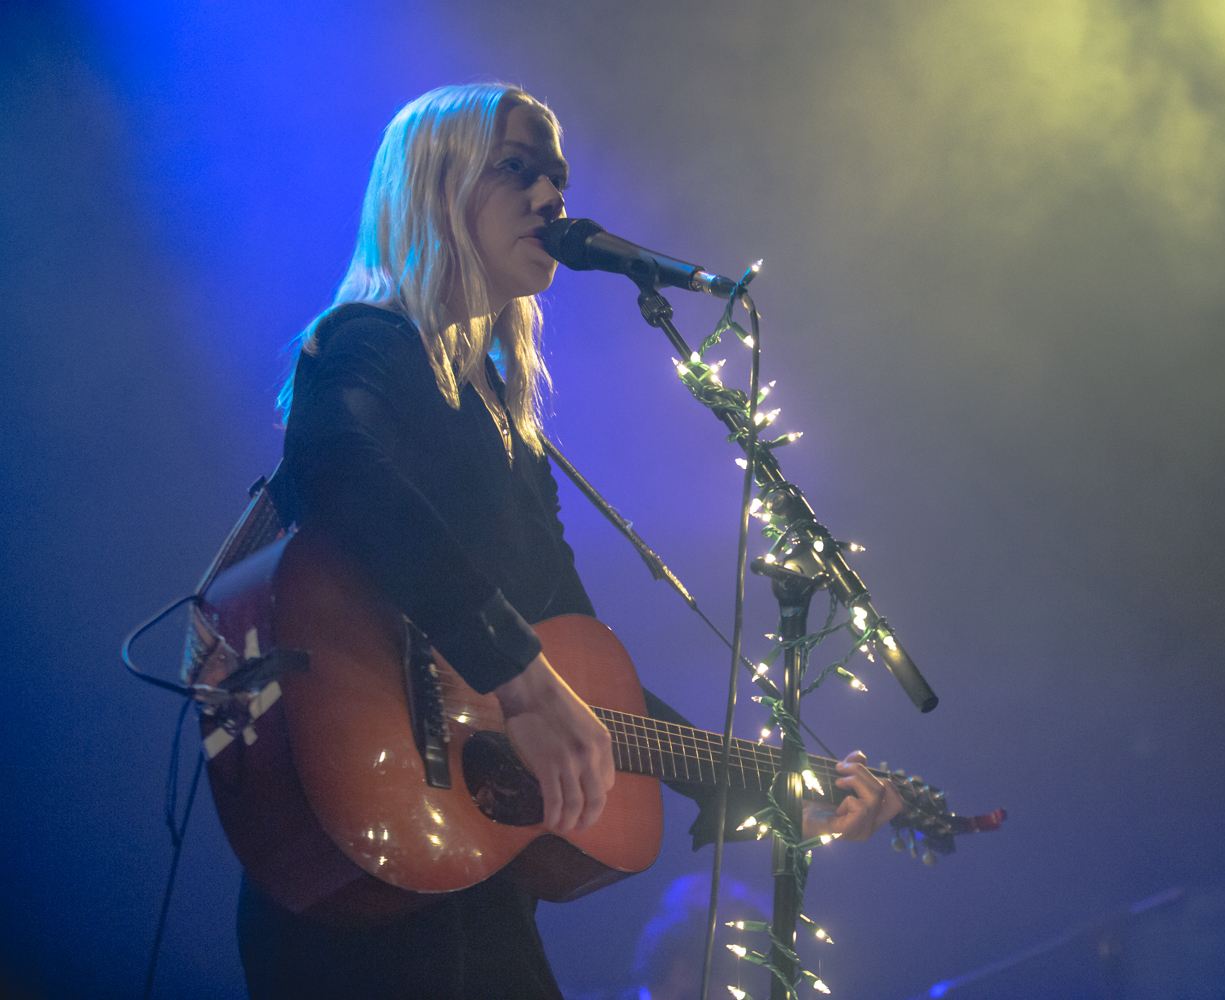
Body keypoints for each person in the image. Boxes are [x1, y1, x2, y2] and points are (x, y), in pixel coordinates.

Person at [243, 81, 901, 1000]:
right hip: (361, 851)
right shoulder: (361, 345)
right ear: (435, 187)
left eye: (557, 176)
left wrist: (780, 786)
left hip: (468, 873)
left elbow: (585, 672)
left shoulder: (510, 424)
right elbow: (342, 469)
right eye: (517, 169)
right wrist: (514, 669)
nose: (553, 198)